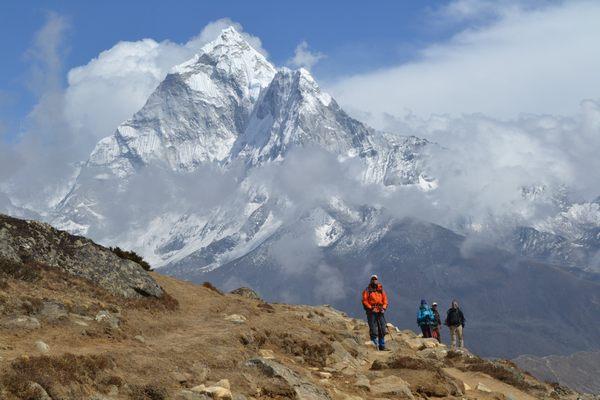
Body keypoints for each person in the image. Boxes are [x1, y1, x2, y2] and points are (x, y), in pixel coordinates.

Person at [362, 274, 388, 351]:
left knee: (382, 329)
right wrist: (370, 308)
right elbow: (364, 301)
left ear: (377, 280)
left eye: (375, 279)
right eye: (373, 279)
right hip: (371, 311)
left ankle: (382, 346)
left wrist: (384, 308)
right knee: (373, 329)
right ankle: (374, 346)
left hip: (380, 310)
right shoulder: (367, 290)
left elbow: (385, 300)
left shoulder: (381, 290)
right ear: (371, 280)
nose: (374, 280)